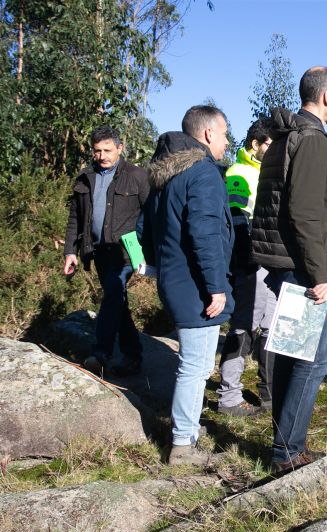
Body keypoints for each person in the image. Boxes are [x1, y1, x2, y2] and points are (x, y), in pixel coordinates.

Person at [251, 67, 327, 476]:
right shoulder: (311, 140)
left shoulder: (284, 136)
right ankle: (287, 451)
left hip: (288, 262)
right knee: (315, 359)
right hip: (305, 267)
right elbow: (306, 215)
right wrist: (317, 276)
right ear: (326, 97)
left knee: (294, 354)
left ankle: (285, 444)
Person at [139, 105, 234, 465]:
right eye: (224, 133)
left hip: (173, 278)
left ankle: (188, 428)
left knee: (192, 361)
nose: (226, 141)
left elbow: (144, 226)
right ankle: (182, 446)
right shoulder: (203, 174)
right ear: (208, 133)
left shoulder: (166, 175)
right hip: (195, 284)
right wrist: (217, 286)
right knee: (196, 365)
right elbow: (206, 235)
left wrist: (153, 266)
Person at [63, 126, 149, 377]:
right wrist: (71, 251)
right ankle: (133, 354)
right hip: (97, 251)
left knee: (112, 294)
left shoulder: (137, 176)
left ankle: (101, 353)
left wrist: (145, 248)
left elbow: (152, 214)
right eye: (97, 151)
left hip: (125, 253)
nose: (102, 156)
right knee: (117, 301)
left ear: (120, 148)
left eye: (107, 150)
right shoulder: (85, 178)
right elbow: (74, 219)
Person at [216, 118, 276, 416]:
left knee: (270, 328)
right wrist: (248, 259)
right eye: (270, 144)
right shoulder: (238, 173)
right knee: (243, 328)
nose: (275, 149)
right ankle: (229, 396)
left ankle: (269, 393)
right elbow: (235, 218)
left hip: (272, 262)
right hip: (250, 263)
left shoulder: (271, 172)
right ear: (255, 144)